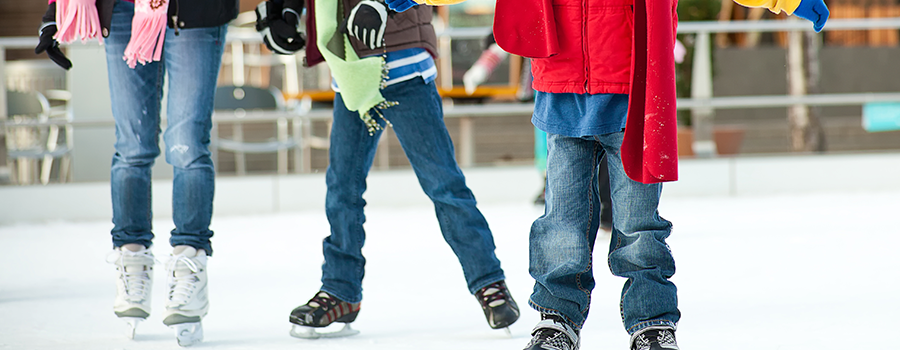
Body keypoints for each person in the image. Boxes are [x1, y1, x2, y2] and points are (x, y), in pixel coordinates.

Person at [386, 0, 829, 349]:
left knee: (639, 224)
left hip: (632, 91)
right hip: (561, 87)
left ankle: (651, 322)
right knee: (561, 220)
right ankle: (558, 319)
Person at [255, 0, 520, 339]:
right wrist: (283, 8)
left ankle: (489, 284)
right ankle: (340, 290)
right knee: (342, 189)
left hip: (406, 71)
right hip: (351, 75)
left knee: (444, 185)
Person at [35, 0, 238, 345]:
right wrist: (56, 9)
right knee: (132, 147)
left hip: (196, 10)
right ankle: (132, 259)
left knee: (187, 144)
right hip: (124, 10)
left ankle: (189, 261)